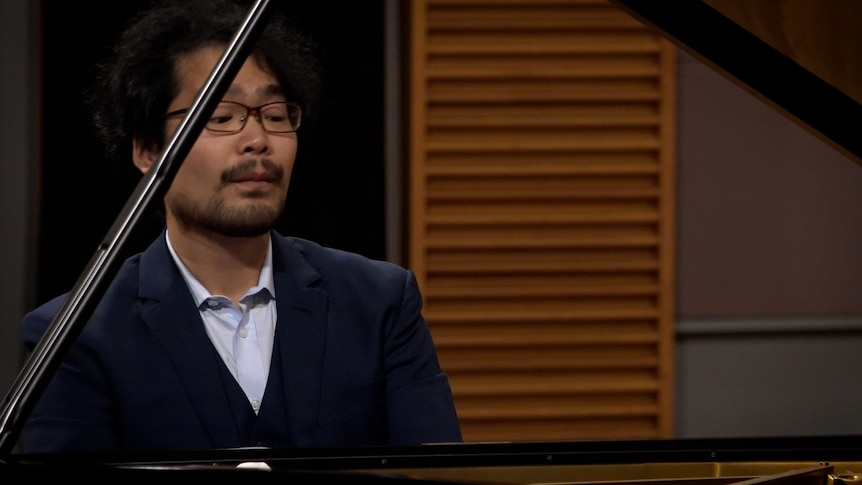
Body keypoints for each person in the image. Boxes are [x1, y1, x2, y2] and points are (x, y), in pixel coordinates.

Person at [20, 0, 462, 453]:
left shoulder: (379, 303)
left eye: (275, 116)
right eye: (221, 118)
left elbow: (439, 475)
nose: (257, 140)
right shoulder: (74, 333)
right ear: (148, 151)